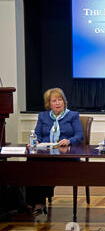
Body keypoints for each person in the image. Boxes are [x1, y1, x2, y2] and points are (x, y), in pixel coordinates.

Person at [26, 87, 83, 215]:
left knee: (46, 167)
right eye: (54, 101)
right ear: (48, 104)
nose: (58, 103)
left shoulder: (73, 115)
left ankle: (39, 203)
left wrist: (69, 140)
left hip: (67, 155)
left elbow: (79, 135)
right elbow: (38, 134)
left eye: (60, 100)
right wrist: (35, 142)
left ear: (64, 101)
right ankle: (31, 202)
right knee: (31, 161)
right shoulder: (43, 116)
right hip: (46, 152)